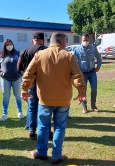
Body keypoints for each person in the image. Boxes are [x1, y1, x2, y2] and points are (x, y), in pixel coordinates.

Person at [21, 32, 86, 164]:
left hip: (44, 99)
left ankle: (41, 152)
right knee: (59, 127)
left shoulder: (39, 55)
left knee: (43, 126)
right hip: (63, 100)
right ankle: (56, 155)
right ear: (62, 42)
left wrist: (24, 89)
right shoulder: (68, 56)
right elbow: (77, 76)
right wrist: (81, 92)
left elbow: (28, 74)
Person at [17, 32, 52, 140]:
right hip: (44, 85)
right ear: (44, 40)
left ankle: (31, 130)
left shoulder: (24, 51)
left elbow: (19, 67)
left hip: (31, 84)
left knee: (32, 108)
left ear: (33, 41)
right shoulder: (47, 51)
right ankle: (47, 131)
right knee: (46, 108)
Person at [0, 39, 24, 121]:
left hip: (17, 79)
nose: (9, 46)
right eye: (7, 45)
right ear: (4, 46)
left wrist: (20, 73)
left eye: (11, 44)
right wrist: (0, 73)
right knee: (6, 96)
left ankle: (20, 112)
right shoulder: (1, 55)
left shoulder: (18, 54)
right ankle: (5, 113)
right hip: (5, 79)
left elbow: (24, 65)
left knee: (17, 95)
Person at [73, 33, 102, 113]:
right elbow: (74, 62)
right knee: (83, 91)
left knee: (94, 89)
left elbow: (99, 58)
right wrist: (78, 72)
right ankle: (84, 107)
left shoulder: (93, 48)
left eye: (86, 40)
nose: (85, 41)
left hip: (92, 72)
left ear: (89, 40)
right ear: (81, 40)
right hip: (83, 74)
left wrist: (98, 66)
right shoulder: (77, 50)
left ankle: (93, 106)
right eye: (84, 40)